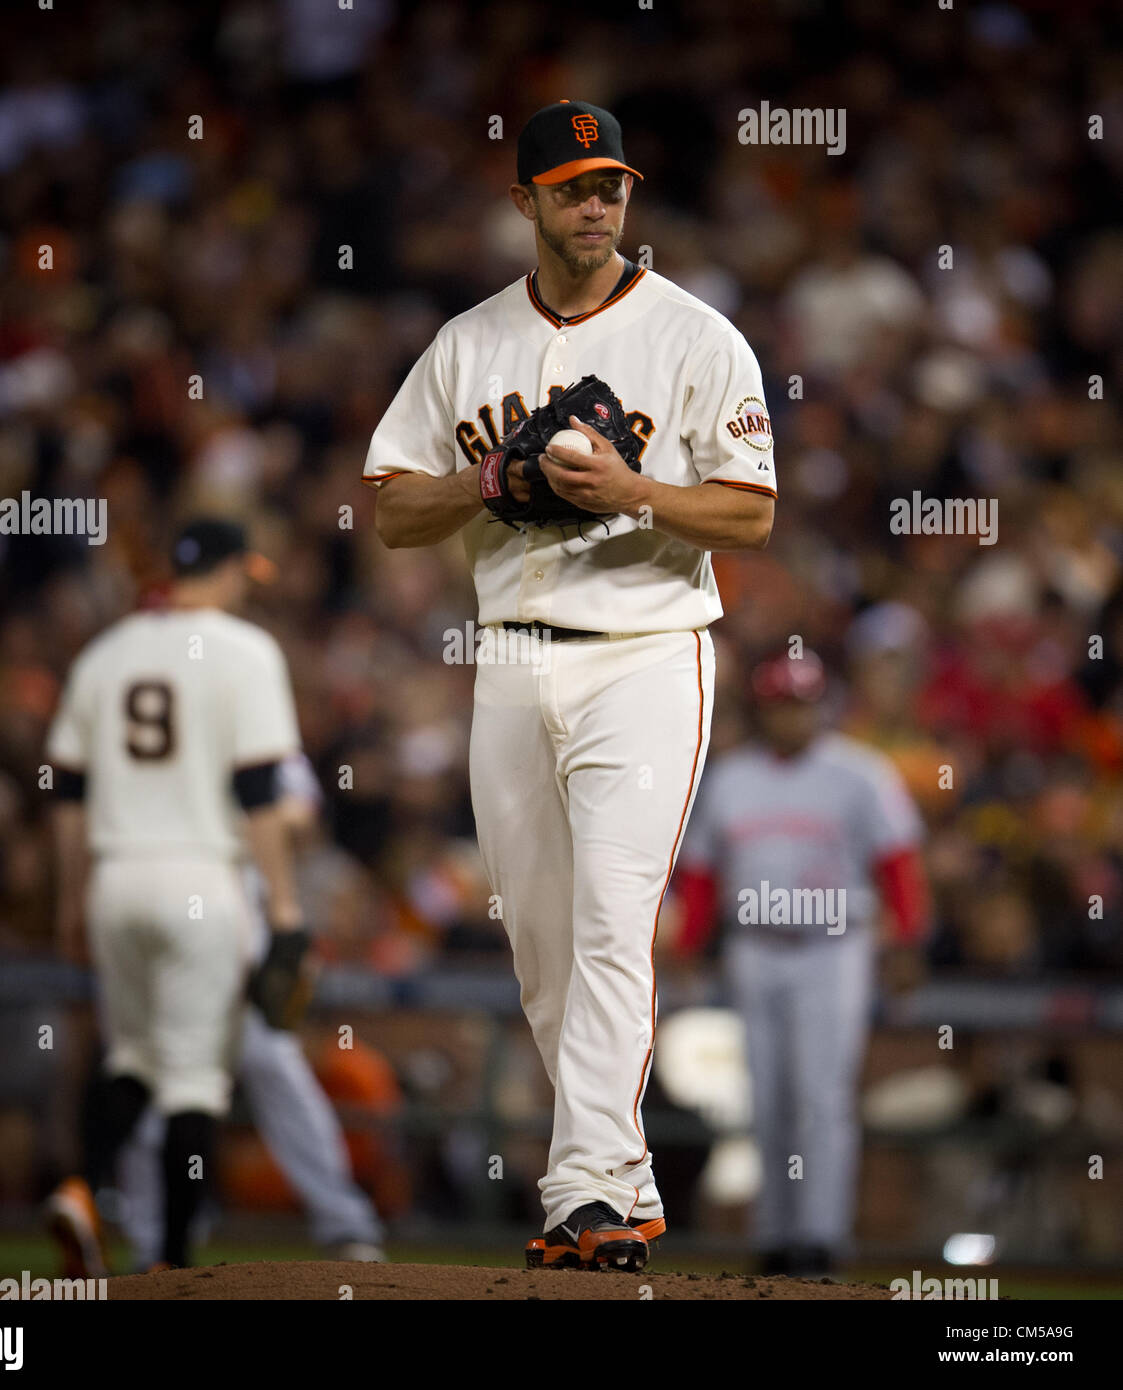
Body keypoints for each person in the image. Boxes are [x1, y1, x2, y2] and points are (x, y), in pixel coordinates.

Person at [364, 100, 776, 1271]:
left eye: (613, 185)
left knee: (609, 919)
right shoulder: (468, 342)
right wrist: (488, 478)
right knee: (541, 941)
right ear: (526, 202)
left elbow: (750, 511)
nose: (598, 204)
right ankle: (621, 1179)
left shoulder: (697, 338)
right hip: (510, 654)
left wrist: (634, 492)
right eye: (574, 187)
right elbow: (393, 506)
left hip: (647, 652)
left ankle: (583, 1192)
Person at [43, 518, 305, 1272]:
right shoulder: (246, 651)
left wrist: (71, 899)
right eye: (241, 577)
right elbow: (259, 791)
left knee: (131, 1057)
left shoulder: (109, 651)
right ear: (227, 573)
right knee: (193, 1080)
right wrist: (283, 911)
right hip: (200, 880)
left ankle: (81, 1187)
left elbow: (66, 789)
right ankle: (173, 1264)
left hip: (115, 877)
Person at [675, 649, 931, 1276]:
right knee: (764, 1098)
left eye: (802, 703)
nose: (792, 716)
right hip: (754, 948)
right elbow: (704, 874)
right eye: (781, 704)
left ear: (821, 705)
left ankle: (820, 1239)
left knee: (822, 1096)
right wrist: (688, 949)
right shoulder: (733, 778)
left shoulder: (859, 774)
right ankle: (776, 1237)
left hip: (831, 949)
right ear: (764, 710)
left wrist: (907, 941)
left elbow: (899, 864)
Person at [116, 753, 386, 1266]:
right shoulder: (173, 731)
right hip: (173, 924)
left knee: (278, 1076)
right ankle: (151, 1241)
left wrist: (239, 823)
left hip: (245, 927)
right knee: (156, 1089)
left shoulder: (262, 731)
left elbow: (302, 816)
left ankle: (345, 1225)